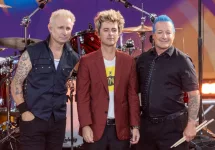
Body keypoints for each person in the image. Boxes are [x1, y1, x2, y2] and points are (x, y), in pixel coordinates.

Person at [11, 9, 79, 150]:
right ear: (50, 28)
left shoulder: (74, 58)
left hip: (58, 121)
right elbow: (16, 82)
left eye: (68, 28)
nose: (64, 32)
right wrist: (24, 111)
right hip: (33, 118)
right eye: (60, 27)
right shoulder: (33, 52)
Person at [76, 9, 140, 150]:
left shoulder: (128, 61)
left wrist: (135, 126)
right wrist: (85, 125)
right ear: (98, 33)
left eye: (114, 30)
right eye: (106, 30)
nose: (110, 34)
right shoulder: (86, 61)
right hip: (95, 128)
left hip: (121, 129)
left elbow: (133, 96)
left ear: (119, 33)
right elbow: (82, 96)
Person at [136, 15, 200, 150]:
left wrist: (191, 124)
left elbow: (194, 94)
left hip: (174, 127)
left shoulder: (183, 61)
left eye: (168, 32)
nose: (164, 36)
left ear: (174, 35)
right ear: (153, 35)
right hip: (146, 127)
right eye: (160, 32)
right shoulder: (143, 59)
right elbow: (134, 92)